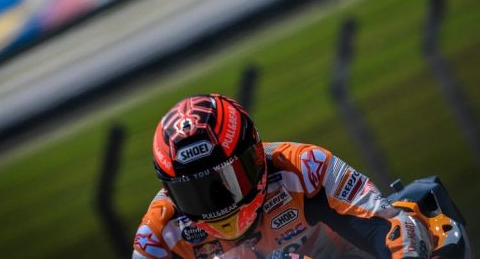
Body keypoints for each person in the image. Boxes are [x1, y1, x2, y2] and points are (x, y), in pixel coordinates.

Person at [132, 94, 434, 258]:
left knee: (435, 230)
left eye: (227, 182)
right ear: (169, 192)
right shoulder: (158, 236)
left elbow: (393, 224)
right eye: (193, 193)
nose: (218, 205)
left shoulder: (307, 167)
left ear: (255, 155)